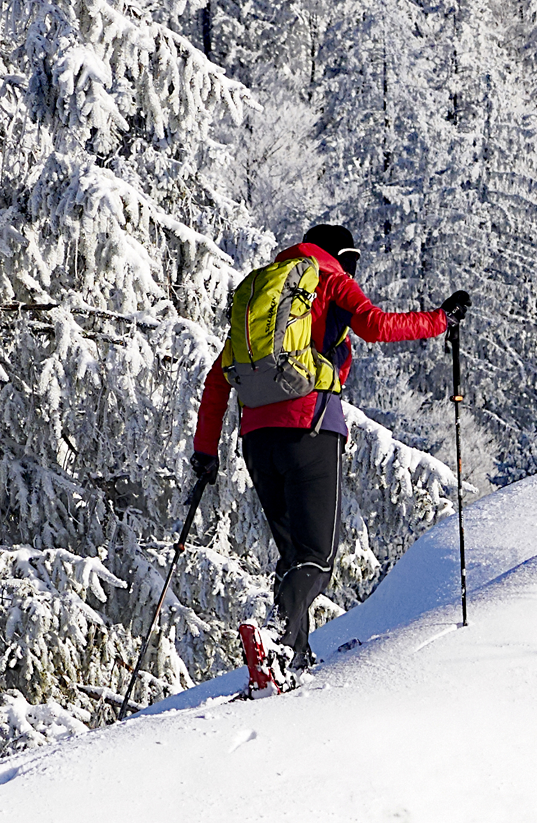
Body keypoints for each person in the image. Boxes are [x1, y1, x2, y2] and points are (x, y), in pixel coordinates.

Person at [189, 223, 467, 680]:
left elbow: (219, 378)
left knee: (293, 557)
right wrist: (441, 320)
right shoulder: (330, 279)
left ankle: (294, 660)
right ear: (345, 254)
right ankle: (280, 641)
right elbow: (376, 326)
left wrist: (206, 451)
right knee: (316, 559)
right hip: (310, 429)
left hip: (257, 439)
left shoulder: (266, 294)